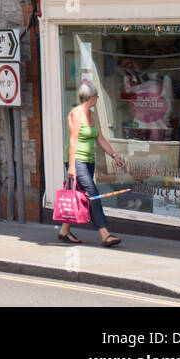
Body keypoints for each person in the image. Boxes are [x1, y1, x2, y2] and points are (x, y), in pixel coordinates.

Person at [58, 82, 126, 247]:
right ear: (91, 97)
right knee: (93, 195)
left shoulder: (92, 115)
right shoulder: (76, 114)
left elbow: (100, 138)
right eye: (96, 97)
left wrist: (114, 156)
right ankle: (105, 235)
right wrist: (72, 167)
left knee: (83, 197)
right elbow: (73, 141)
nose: (97, 99)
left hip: (89, 160)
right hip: (77, 160)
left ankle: (64, 231)